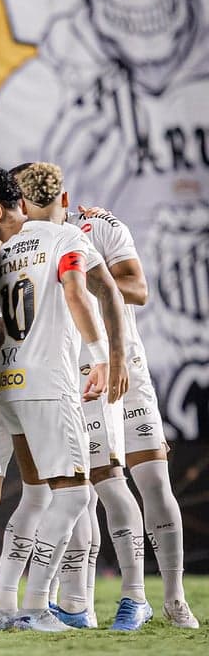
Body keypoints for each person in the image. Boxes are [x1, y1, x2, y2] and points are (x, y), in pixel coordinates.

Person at [0, 163, 127, 632]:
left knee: (36, 495)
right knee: (74, 497)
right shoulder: (63, 238)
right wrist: (100, 356)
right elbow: (78, 290)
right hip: (49, 383)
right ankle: (35, 606)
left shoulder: (2, 253)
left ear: (1, 208)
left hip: (7, 384)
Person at [69, 205, 200, 629]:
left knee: (154, 480)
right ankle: (84, 602)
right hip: (77, 374)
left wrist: (86, 281)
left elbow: (138, 288)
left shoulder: (97, 226)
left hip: (128, 368)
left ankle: (175, 598)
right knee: (91, 488)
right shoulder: (24, 241)